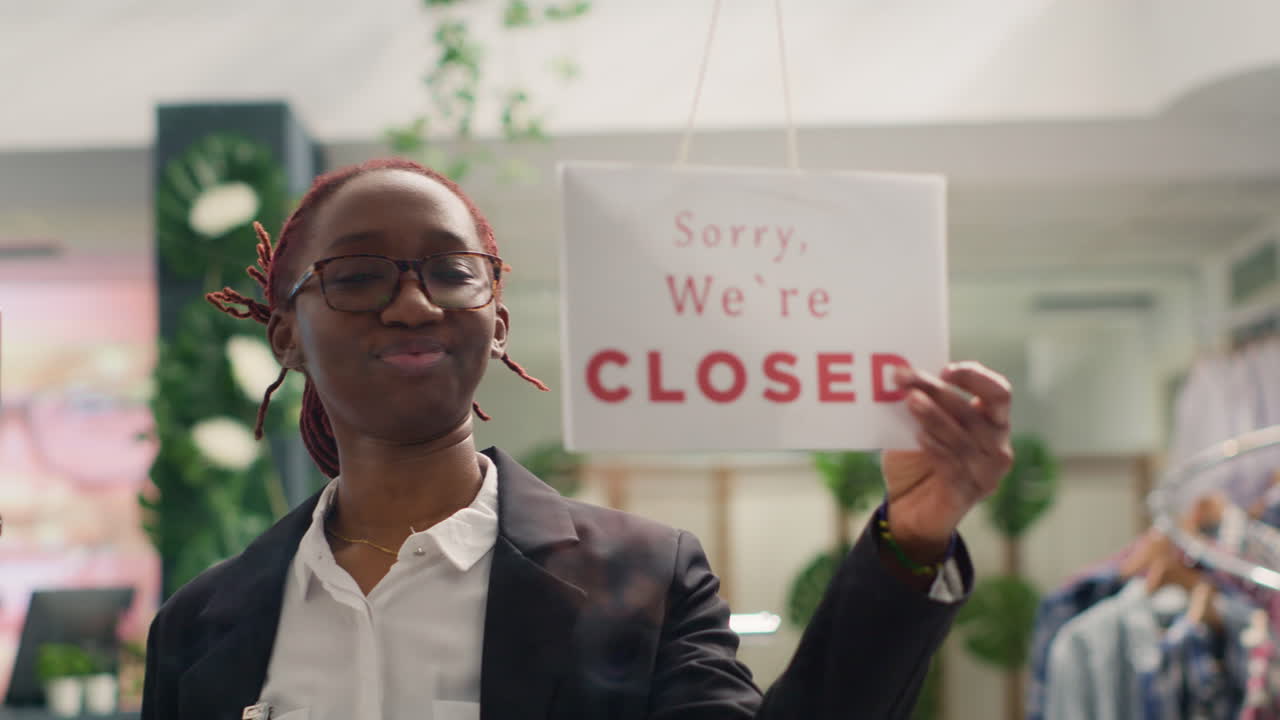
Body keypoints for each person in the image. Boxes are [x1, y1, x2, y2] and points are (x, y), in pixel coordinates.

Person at [141, 158, 1014, 720]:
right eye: (359, 275)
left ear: (498, 321)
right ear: (286, 334)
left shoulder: (644, 579)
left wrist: (915, 539)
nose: (413, 304)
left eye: (452, 272)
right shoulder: (201, 626)